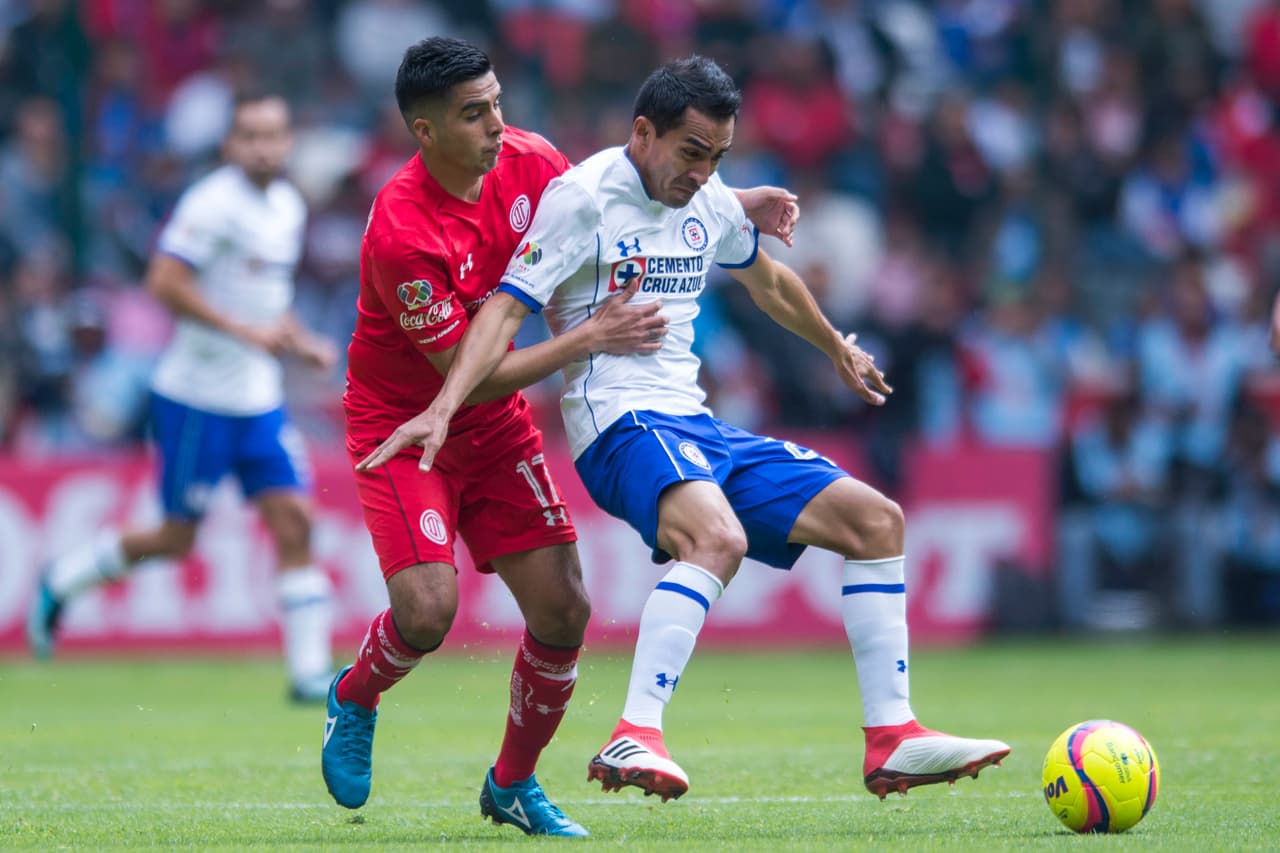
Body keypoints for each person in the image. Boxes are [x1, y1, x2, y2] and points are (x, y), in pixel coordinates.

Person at [360, 55, 1011, 804]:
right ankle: (636, 729)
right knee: (717, 538)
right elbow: (506, 308)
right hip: (620, 422)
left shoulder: (706, 195)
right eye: (692, 152)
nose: (703, 173)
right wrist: (446, 403)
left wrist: (836, 346)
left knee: (876, 521)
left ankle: (893, 735)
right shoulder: (580, 200)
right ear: (643, 133)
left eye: (719, 157)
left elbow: (769, 281)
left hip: (694, 421)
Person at [321, 37, 799, 838]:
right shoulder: (402, 233)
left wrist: (734, 198)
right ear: (424, 131)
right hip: (408, 424)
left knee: (564, 608)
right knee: (429, 611)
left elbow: (618, 198)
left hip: (493, 427)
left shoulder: (532, 160)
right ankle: (354, 694)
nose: (496, 125)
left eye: (496, 103)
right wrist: (589, 337)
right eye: (473, 114)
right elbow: (469, 373)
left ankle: (512, 783)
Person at [27, 92, 340, 703]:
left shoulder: (287, 206)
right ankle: (62, 578)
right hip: (197, 398)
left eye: (272, 135)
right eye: (250, 136)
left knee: (296, 521)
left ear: (287, 143)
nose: (262, 147)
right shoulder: (210, 204)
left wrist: (302, 342)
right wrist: (243, 333)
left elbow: (267, 302)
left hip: (258, 399)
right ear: (230, 145)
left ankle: (308, 675)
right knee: (176, 538)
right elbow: (164, 282)